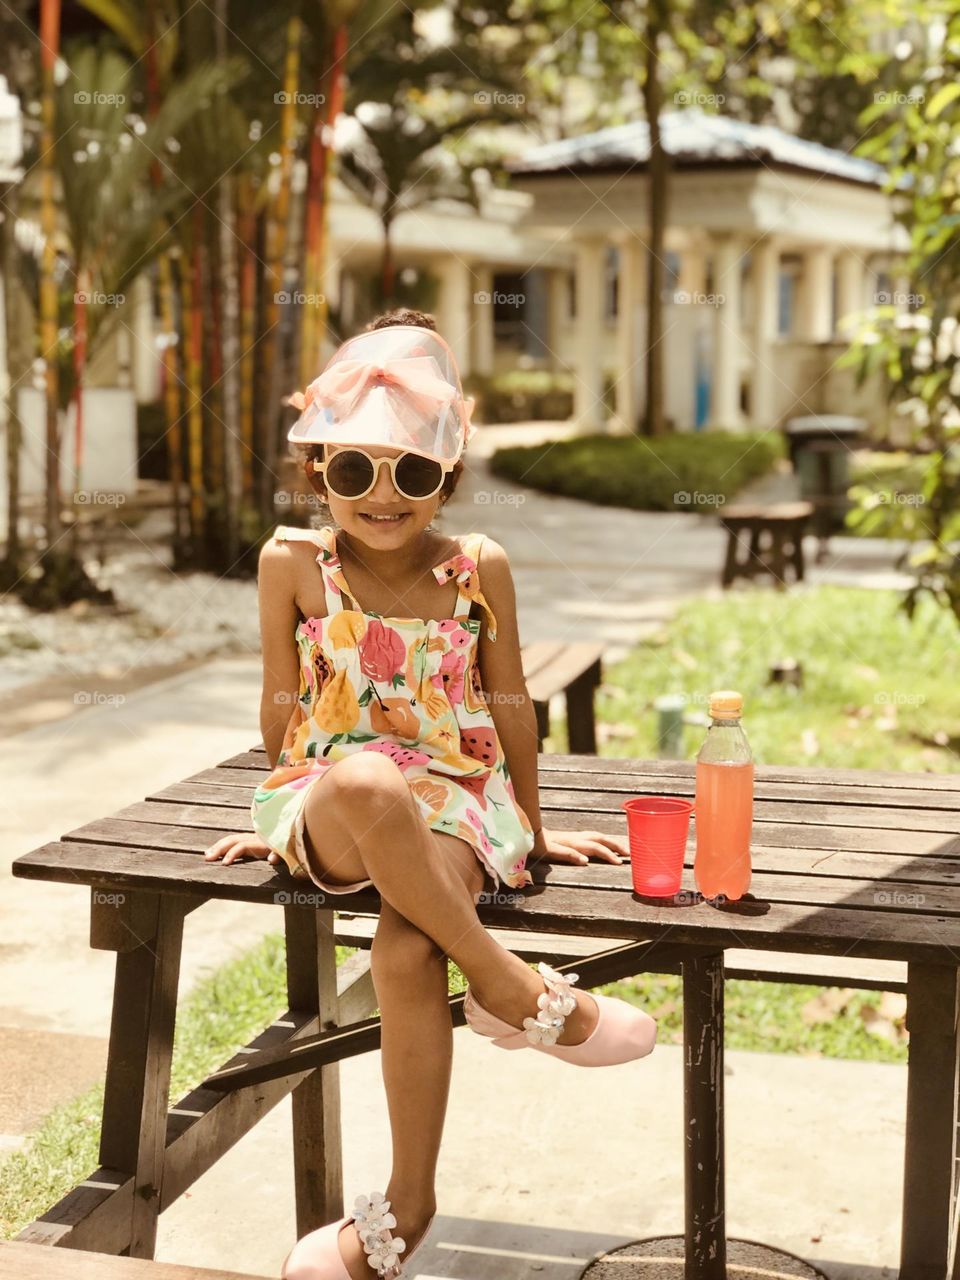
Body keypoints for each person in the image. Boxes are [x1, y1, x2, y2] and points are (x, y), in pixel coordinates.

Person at [204, 309, 657, 1280]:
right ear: (317, 468)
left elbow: (510, 701)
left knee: (410, 949)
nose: (381, 493)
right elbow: (281, 705)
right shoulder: (293, 562)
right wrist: (275, 817)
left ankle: (406, 1209)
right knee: (366, 775)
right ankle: (510, 984)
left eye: (411, 471)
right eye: (353, 468)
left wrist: (530, 826)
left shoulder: (475, 566)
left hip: (452, 798)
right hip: (332, 790)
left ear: (445, 477)